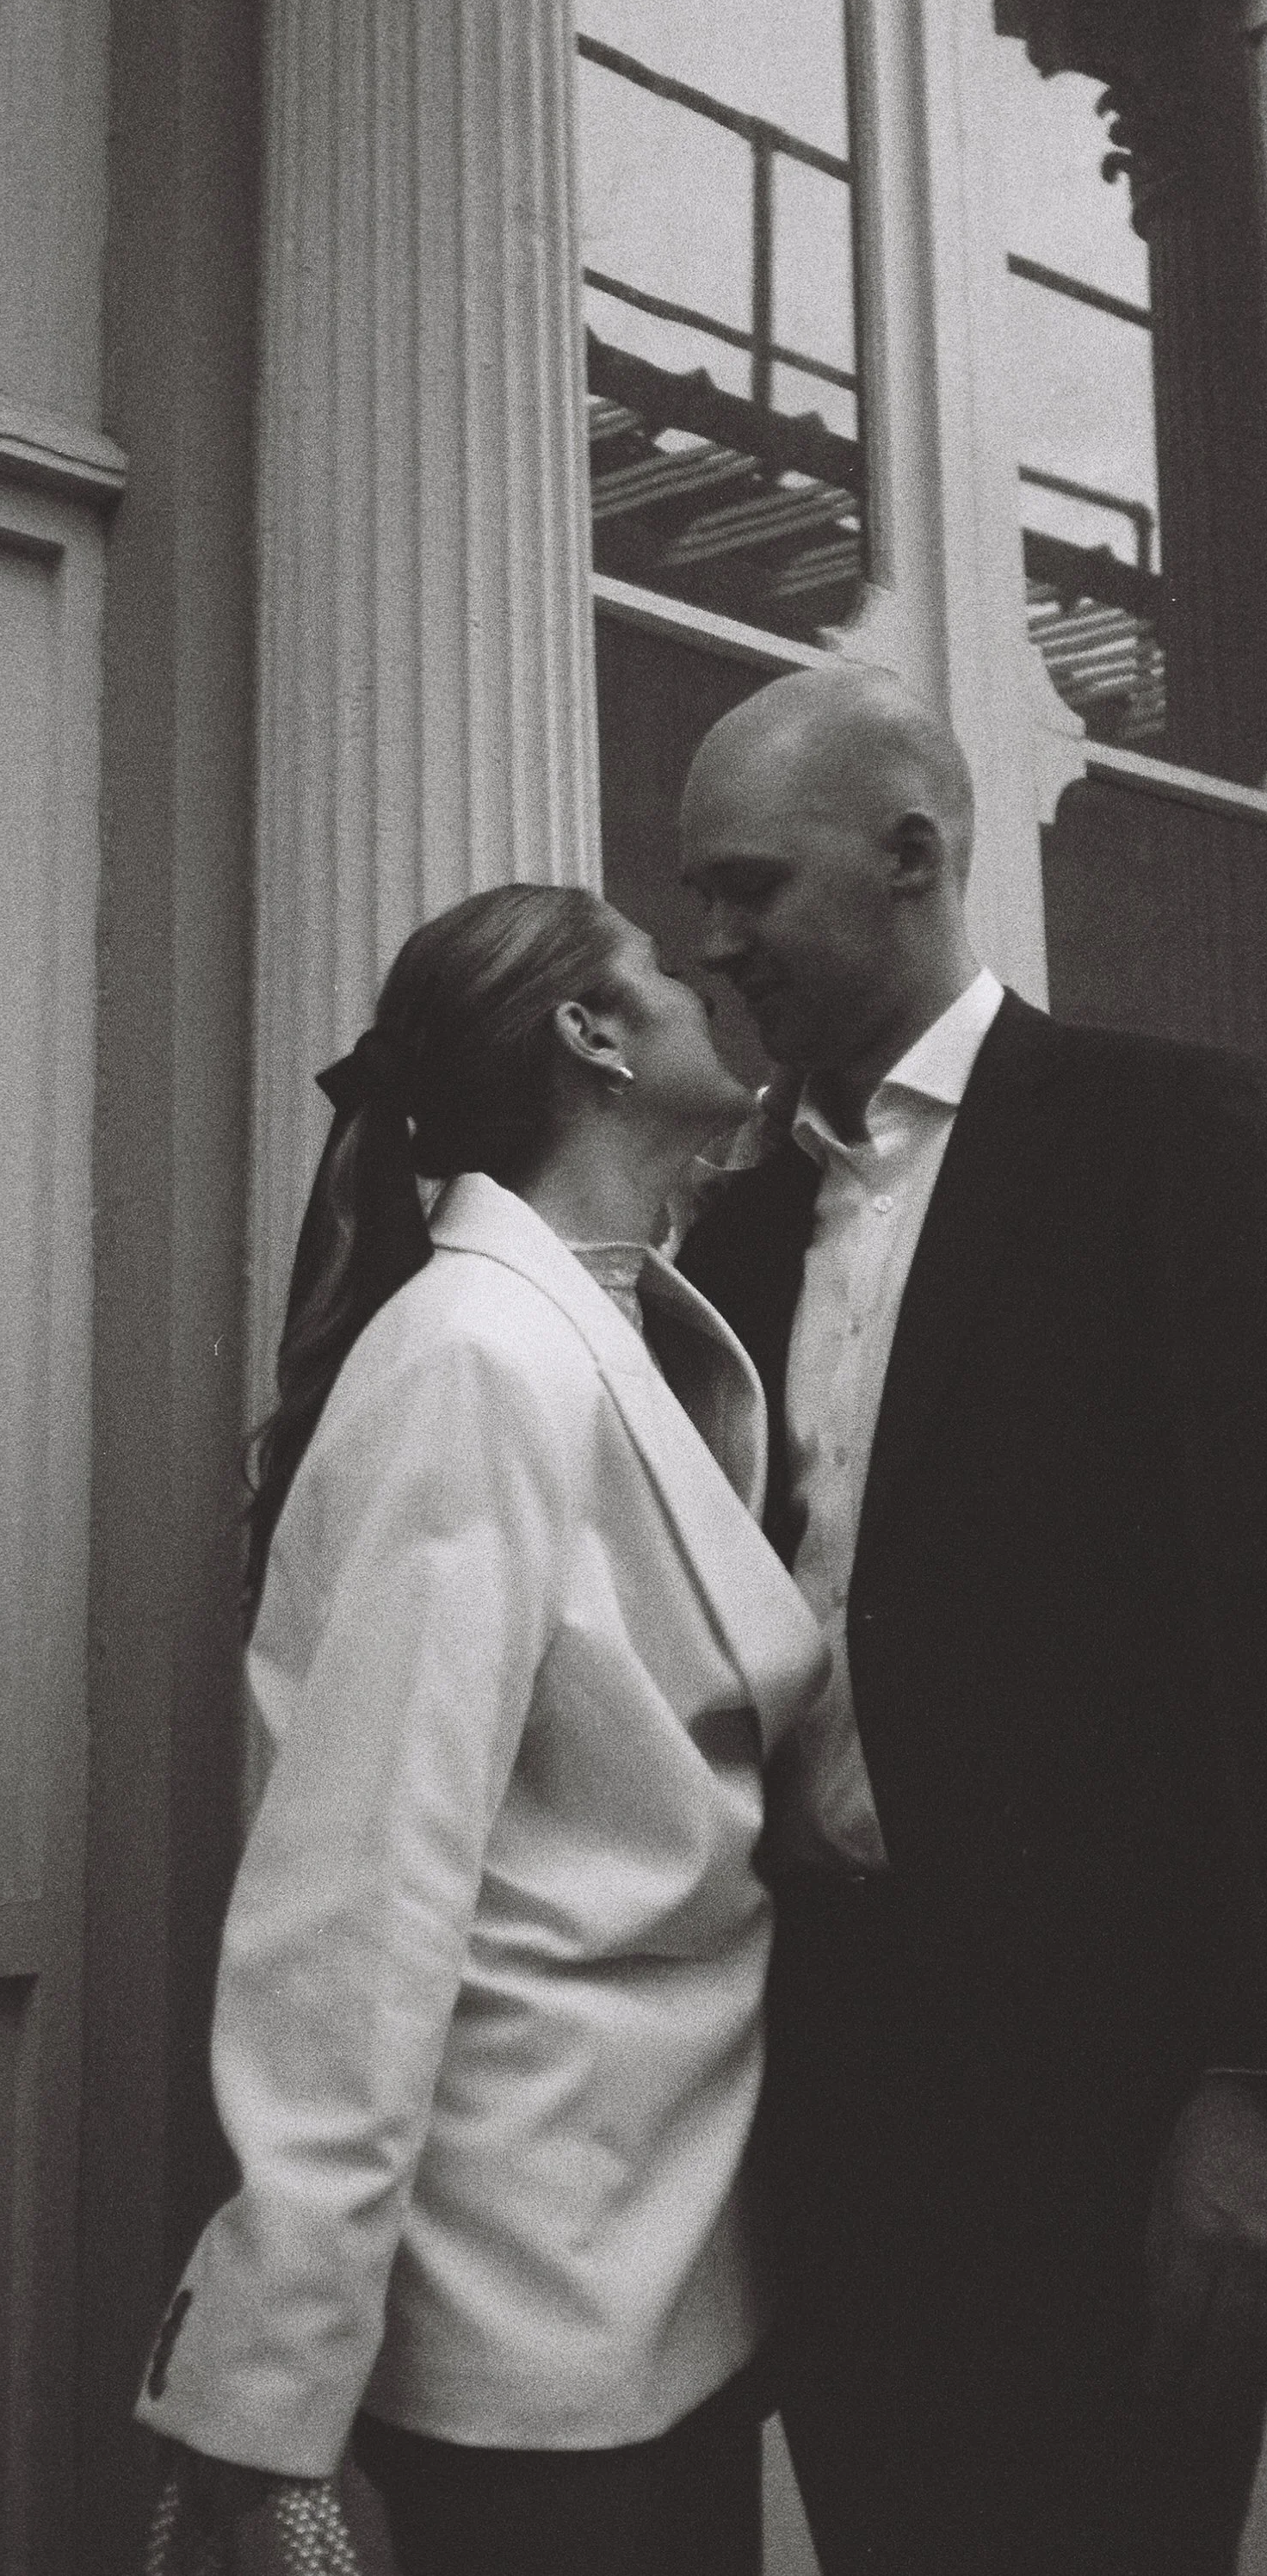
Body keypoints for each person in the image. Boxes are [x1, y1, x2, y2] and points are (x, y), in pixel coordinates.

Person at [136, 882, 829, 2576]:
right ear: (592, 1036)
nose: (701, 977)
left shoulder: (609, 1329)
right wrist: (270, 2382)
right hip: (528, 2293)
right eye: (654, 966)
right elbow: (360, 1887)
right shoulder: (474, 1358)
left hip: (668, 2257)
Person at [675, 663, 1267, 2576]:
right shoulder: (729, 1233)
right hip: (831, 2094)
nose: (710, 941)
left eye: (751, 885)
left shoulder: (1172, 1138)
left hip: (1124, 2110)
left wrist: (1248, 2087)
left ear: (914, 856)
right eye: (698, 894)